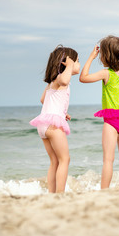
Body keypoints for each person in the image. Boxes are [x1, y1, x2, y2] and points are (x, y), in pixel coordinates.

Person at [79, 35, 119, 189]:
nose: (101, 57)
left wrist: (91, 57)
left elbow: (83, 78)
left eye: (103, 54)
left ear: (107, 56)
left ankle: (104, 190)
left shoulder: (106, 73)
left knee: (108, 160)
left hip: (112, 120)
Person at [30, 45, 80, 193]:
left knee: (54, 161)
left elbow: (43, 100)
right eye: (77, 61)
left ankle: (51, 194)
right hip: (53, 124)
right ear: (66, 63)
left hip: (43, 123)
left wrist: (62, 112)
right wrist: (69, 67)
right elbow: (64, 81)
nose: (77, 65)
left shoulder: (52, 82)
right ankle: (60, 194)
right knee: (65, 160)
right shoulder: (60, 78)